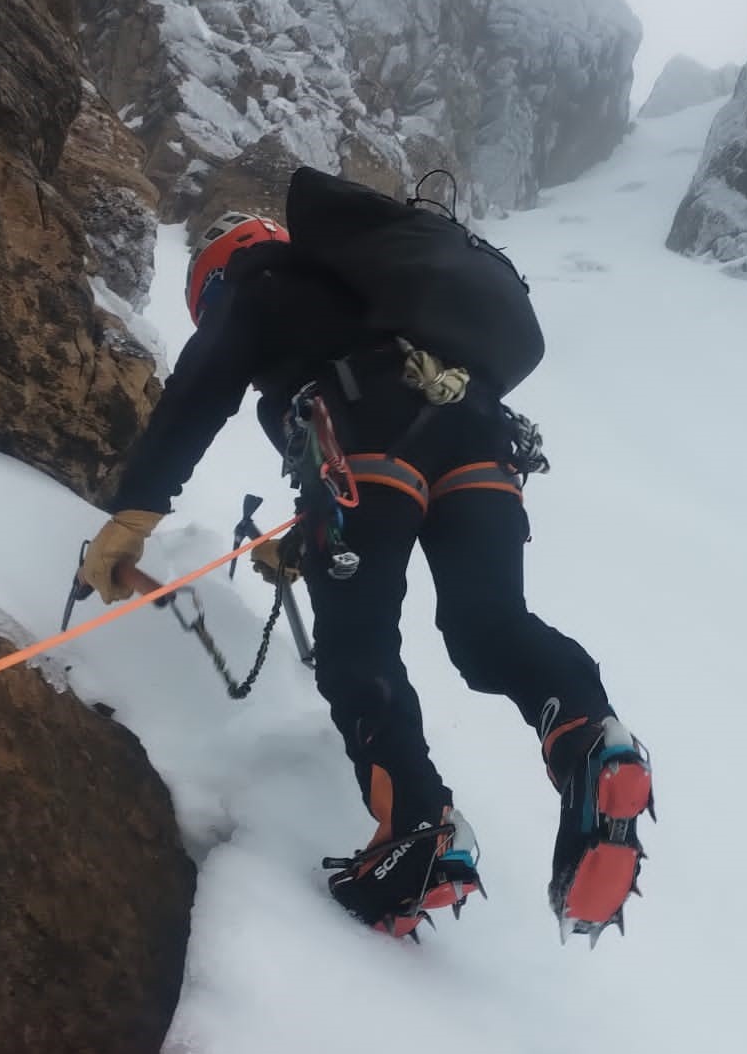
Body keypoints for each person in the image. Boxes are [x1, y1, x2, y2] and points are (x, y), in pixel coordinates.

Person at [77, 176, 652, 944]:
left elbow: (199, 393)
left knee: (357, 646)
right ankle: (588, 735)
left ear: (218, 272)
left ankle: (420, 832)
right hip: (481, 436)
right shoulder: (373, 295)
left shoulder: (260, 283)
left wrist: (133, 513)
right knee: (488, 627)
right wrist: (306, 538)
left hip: (370, 435)